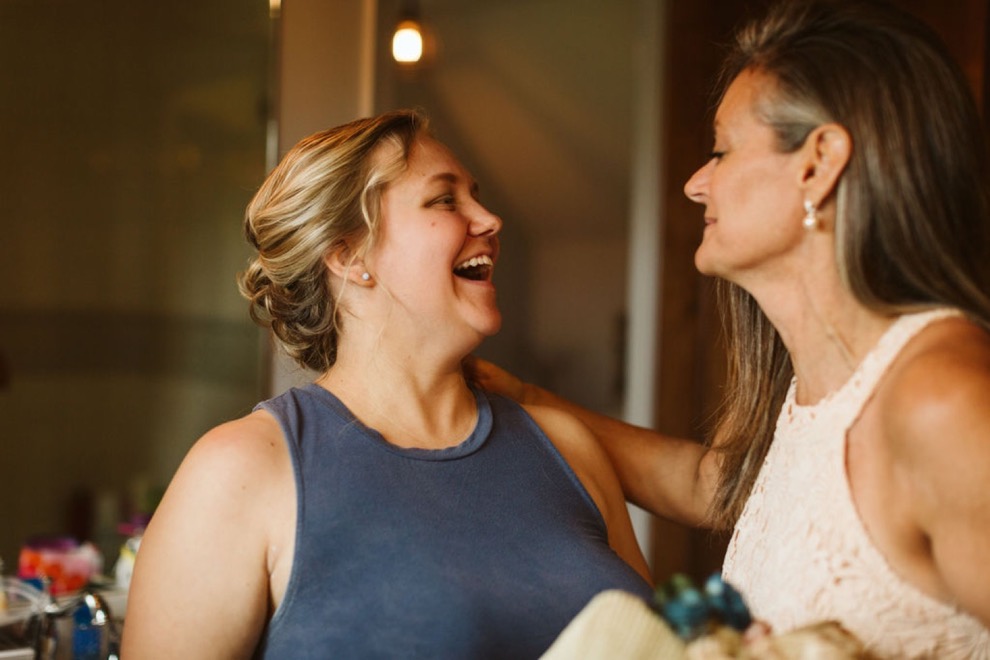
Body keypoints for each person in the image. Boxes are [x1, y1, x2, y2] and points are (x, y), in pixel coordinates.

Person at [469, 1, 990, 657]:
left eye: (720, 150)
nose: (694, 183)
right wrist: (521, 401)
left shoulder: (941, 399)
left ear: (818, 162)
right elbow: (713, 483)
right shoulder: (819, 393)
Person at [121, 110, 652, 659]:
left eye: (475, 196)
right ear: (349, 254)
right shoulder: (240, 471)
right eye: (445, 200)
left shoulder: (568, 447)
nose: (490, 219)